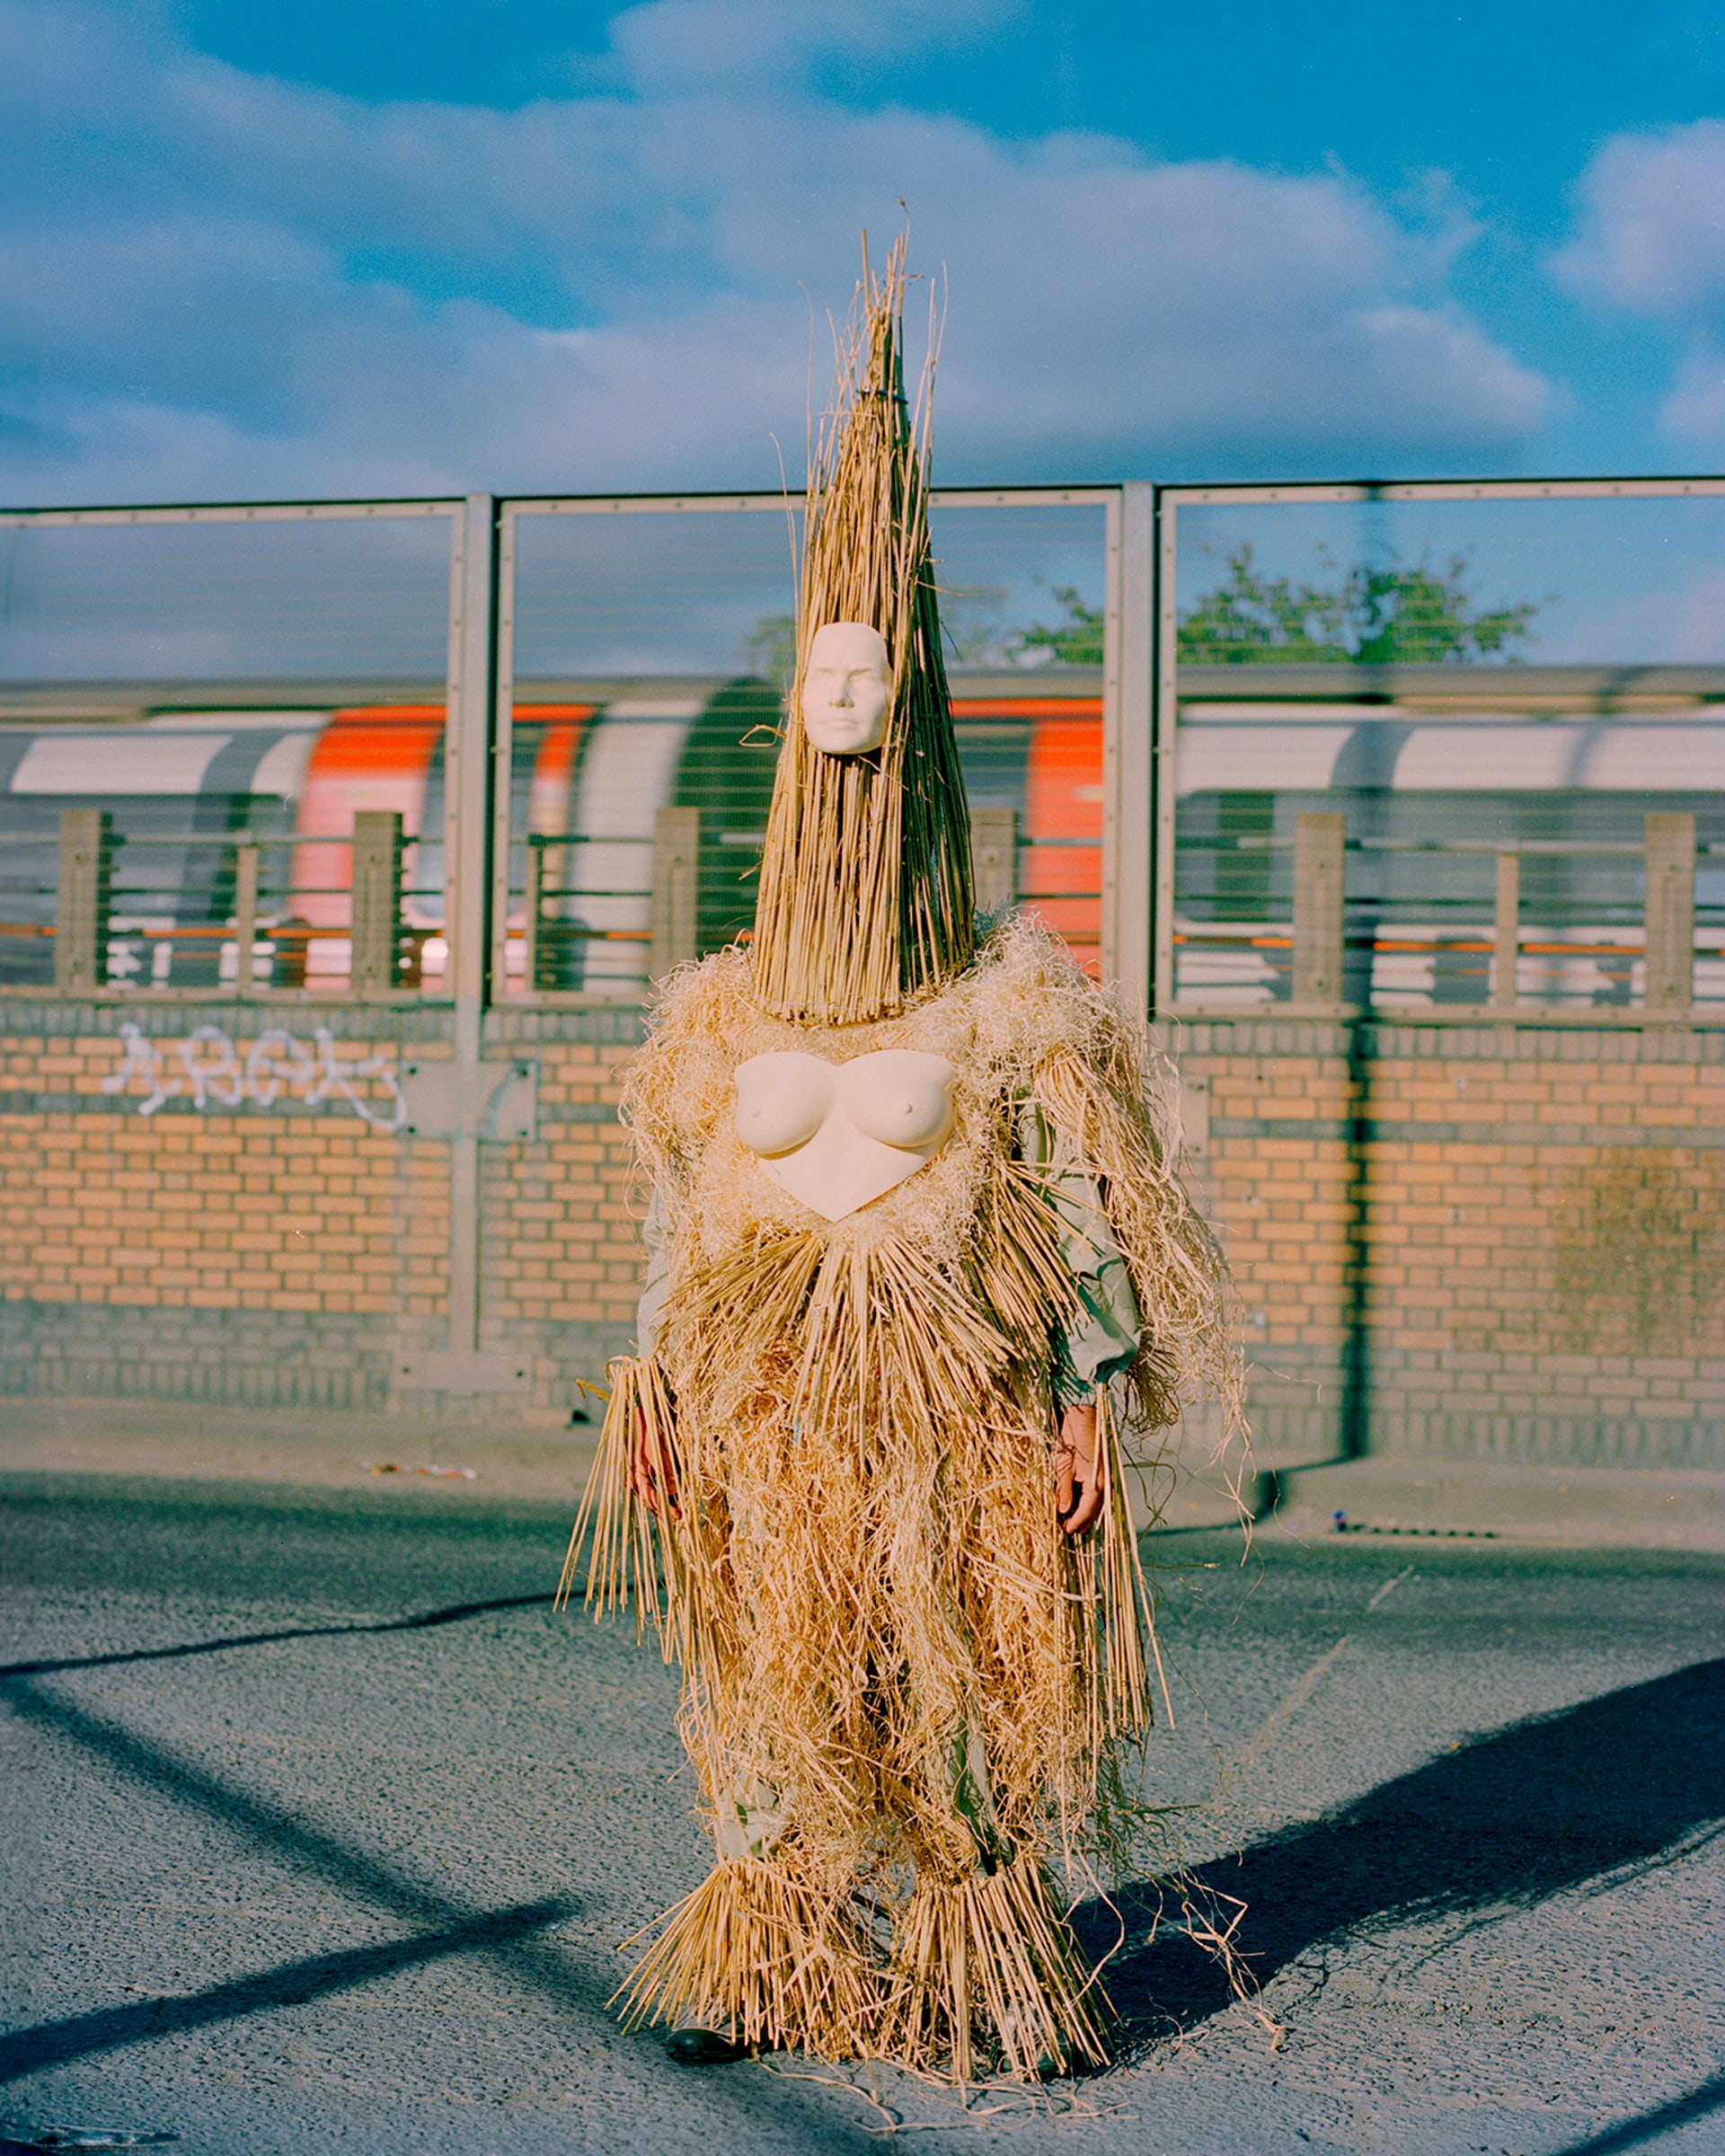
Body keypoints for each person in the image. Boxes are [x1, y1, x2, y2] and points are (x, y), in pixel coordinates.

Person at [562, 238, 1237, 2081]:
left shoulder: (1007, 1001)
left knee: (962, 1696)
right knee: (774, 1698)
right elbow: (685, 1214)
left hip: (958, 1415)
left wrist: (1091, 1391)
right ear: (795, 701)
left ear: (913, 698)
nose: (845, 695)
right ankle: (779, 1960)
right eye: (821, 671)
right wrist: (648, 1374)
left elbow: (1081, 1216)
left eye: (875, 669)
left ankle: (978, 1972)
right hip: (772, 1403)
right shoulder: (721, 1009)